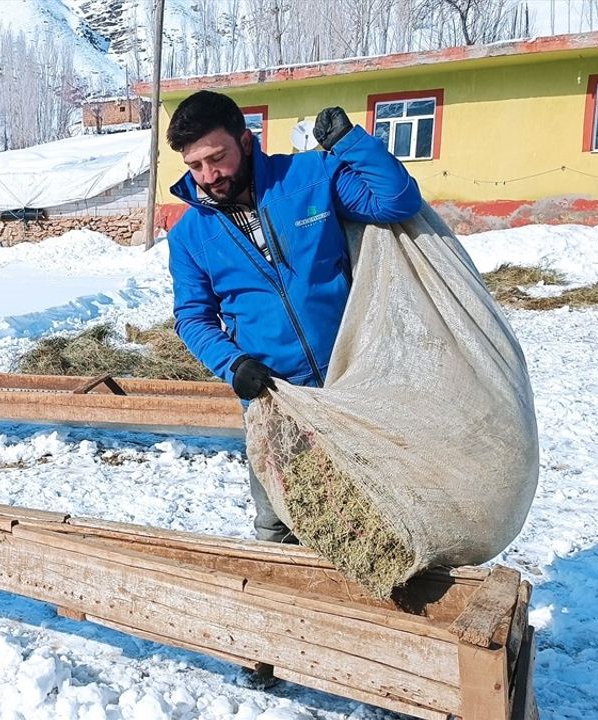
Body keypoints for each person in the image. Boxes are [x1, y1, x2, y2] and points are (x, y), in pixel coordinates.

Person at [165, 90, 423, 543]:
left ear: (246, 141)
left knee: (378, 512)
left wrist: (350, 142)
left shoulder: (309, 177)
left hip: (351, 382)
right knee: (279, 524)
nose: (209, 176)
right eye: (195, 166)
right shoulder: (189, 235)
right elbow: (192, 317)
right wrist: (234, 364)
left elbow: (396, 202)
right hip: (273, 398)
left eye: (217, 158)